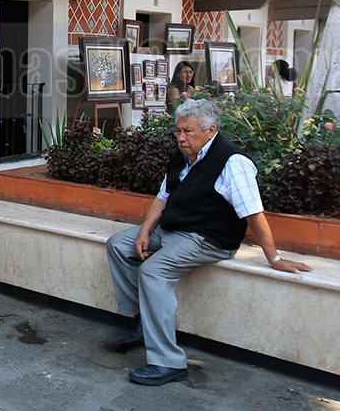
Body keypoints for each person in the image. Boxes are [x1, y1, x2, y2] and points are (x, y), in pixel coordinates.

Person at [104, 98, 311, 386]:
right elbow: (162, 198)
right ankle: (143, 321)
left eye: (187, 131)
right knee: (118, 245)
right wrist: (144, 232)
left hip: (207, 238)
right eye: (178, 131)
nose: (180, 138)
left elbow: (253, 212)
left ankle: (168, 363)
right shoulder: (182, 156)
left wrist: (274, 258)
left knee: (153, 272)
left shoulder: (232, 162)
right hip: (173, 229)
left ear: (210, 130)